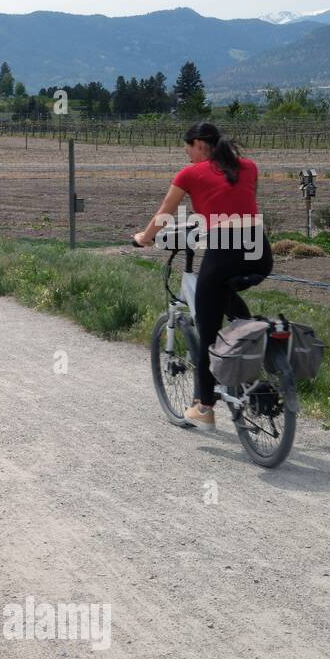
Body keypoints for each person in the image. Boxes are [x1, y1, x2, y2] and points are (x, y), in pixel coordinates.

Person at [133, 121, 273, 430]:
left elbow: (165, 213)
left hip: (224, 250)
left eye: (188, 151)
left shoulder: (190, 174)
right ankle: (251, 350)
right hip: (260, 253)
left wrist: (145, 236)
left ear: (198, 144)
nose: (188, 158)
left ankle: (205, 406)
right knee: (229, 304)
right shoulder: (248, 166)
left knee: (209, 332)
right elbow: (236, 204)